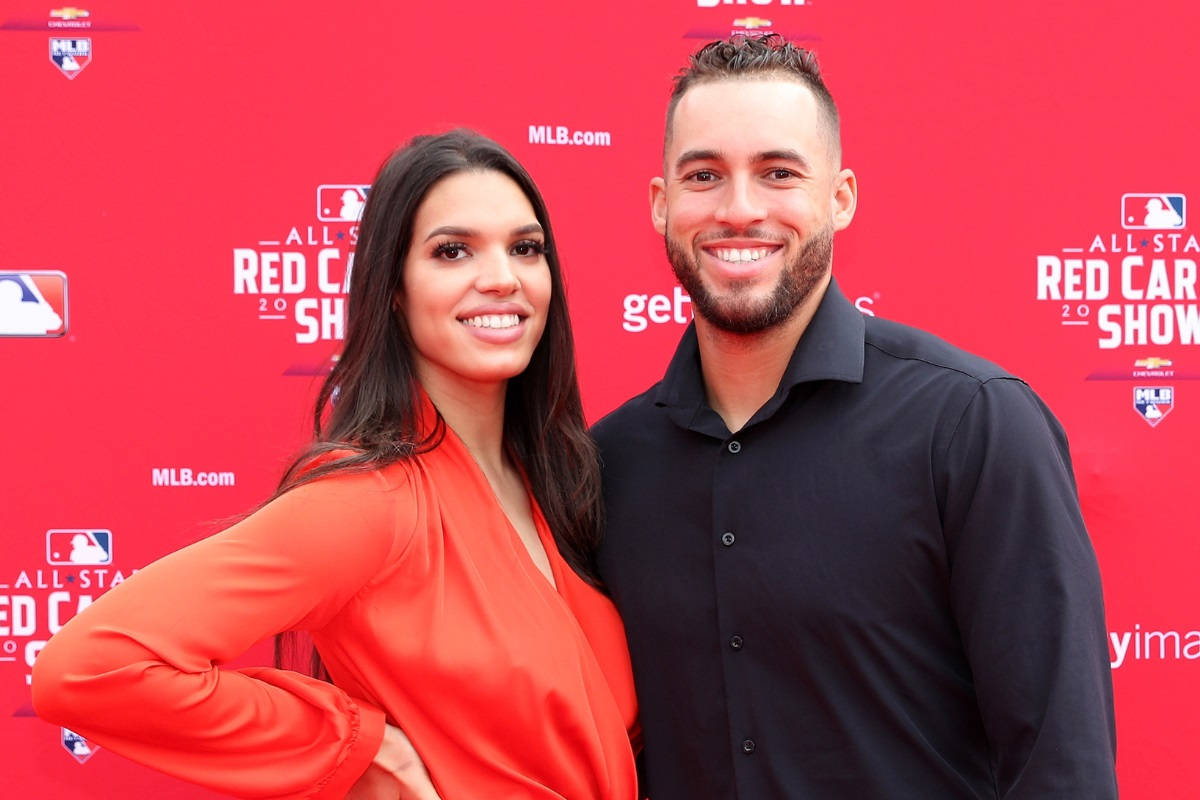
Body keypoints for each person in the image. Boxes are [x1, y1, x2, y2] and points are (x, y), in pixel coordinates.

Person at [33, 130, 640, 800]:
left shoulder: (561, 482)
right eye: (452, 251)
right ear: (394, 291)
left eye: (525, 248)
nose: (501, 277)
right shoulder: (370, 500)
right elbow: (89, 669)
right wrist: (363, 746)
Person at [592, 35, 1118, 798]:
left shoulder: (972, 425)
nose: (740, 210)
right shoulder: (608, 464)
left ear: (839, 197)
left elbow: (1059, 765)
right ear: (661, 203)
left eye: (778, 174)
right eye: (704, 175)